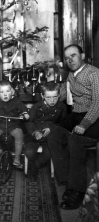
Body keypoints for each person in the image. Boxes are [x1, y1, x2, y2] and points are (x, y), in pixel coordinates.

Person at [47, 44, 99, 210]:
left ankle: (77, 191)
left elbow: (98, 103)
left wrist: (84, 125)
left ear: (82, 56)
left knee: (74, 139)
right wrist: (49, 95)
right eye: (67, 57)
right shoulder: (71, 74)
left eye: (73, 55)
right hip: (77, 115)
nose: (70, 60)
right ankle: (67, 181)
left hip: (94, 118)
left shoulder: (94, 74)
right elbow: (63, 93)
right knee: (53, 131)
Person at [24, 81, 67, 180]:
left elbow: (64, 123)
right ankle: (32, 163)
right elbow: (29, 122)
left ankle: (35, 166)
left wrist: (51, 128)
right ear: (43, 96)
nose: (52, 100)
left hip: (50, 136)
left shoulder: (62, 107)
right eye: (48, 97)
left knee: (49, 153)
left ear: (59, 95)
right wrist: (35, 132)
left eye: (55, 97)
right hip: (34, 134)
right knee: (30, 152)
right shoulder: (36, 107)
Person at [0, 80, 30, 170]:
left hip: (12, 125)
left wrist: (25, 113)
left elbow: (22, 107)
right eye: (2, 92)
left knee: (19, 135)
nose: (5, 94)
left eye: (7, 91)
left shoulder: (16, 101)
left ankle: (17, 159)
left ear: (12, 92)